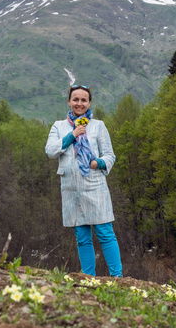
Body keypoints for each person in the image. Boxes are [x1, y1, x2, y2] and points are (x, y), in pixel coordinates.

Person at [45, 84, 122, 277]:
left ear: (89, 102)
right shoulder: (59, 126)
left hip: (95, 186)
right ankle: (88, 278)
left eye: (83, 100)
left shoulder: (98, 126)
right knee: (82, 236)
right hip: (71, 188)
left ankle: (118, 278)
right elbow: (51, 151)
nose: (79, 103)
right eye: (76, 99)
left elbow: (110, 156)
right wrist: (72, 135)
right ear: (69, 101)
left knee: (105, 232)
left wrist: (97, 163)